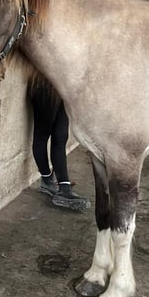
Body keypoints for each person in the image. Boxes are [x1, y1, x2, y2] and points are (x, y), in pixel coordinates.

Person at [28, 73, 90, 211]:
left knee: (60, 137)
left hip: (64, 85)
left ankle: (64, 188)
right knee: (42, 136)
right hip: (45, 84)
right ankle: (47, 179)